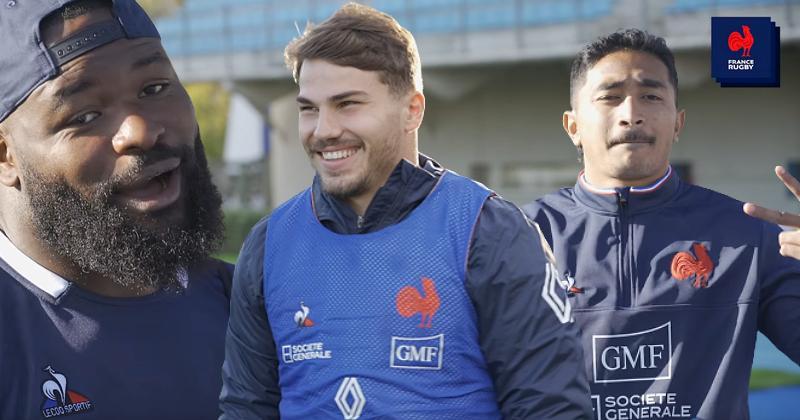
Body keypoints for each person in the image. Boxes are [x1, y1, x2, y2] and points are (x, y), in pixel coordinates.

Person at [219, 3, 591, 419]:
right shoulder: (270, 245)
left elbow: (550, 407)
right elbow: (246, 409)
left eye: (348, 104)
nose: (323, 130)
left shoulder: (489, 231)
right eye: (309, 108)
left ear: (412, 110)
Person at [523, 29, 800, 419]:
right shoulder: (520, 236)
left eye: (652, 96)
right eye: (610, 96)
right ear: (573, 126)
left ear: (677, 123)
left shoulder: (748, 234)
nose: (631, 112)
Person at [0, 1, 231, 419]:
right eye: (85, 115)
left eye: (154, 89)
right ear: (5, 156)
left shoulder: (249, 303)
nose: (139, 131)